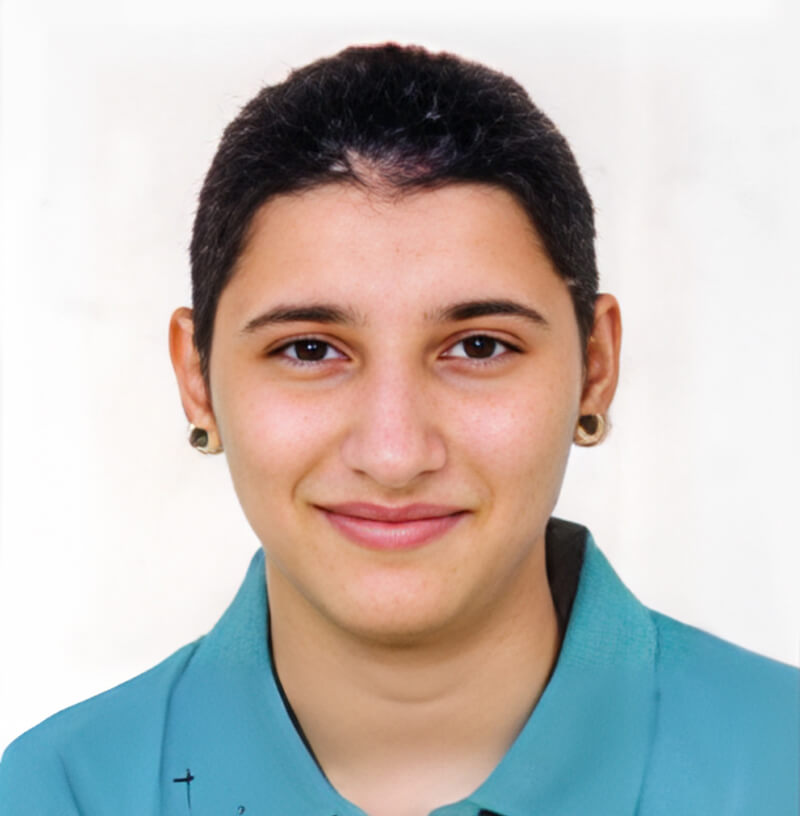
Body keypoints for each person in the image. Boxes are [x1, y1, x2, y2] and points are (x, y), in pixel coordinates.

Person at [0, 42, 797, 816]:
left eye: (478, 347)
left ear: (594, 366)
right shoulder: (60, 794)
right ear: (197, 378)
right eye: (308, 350)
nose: (393, 454)